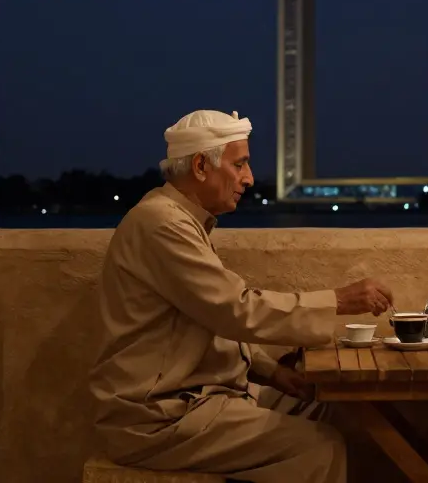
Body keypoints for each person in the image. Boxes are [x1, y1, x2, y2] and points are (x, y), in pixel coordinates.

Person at [88, 109, 395, 483]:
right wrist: (339, 301)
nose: (249, 179)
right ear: (201, 165)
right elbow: (236, 308)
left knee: (327, 408)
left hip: (199, 396)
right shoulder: (162, 224)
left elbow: (210, 316)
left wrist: (272, 373)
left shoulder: (183, 220)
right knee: (321, 446)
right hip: (159, 416)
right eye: (240, 165)